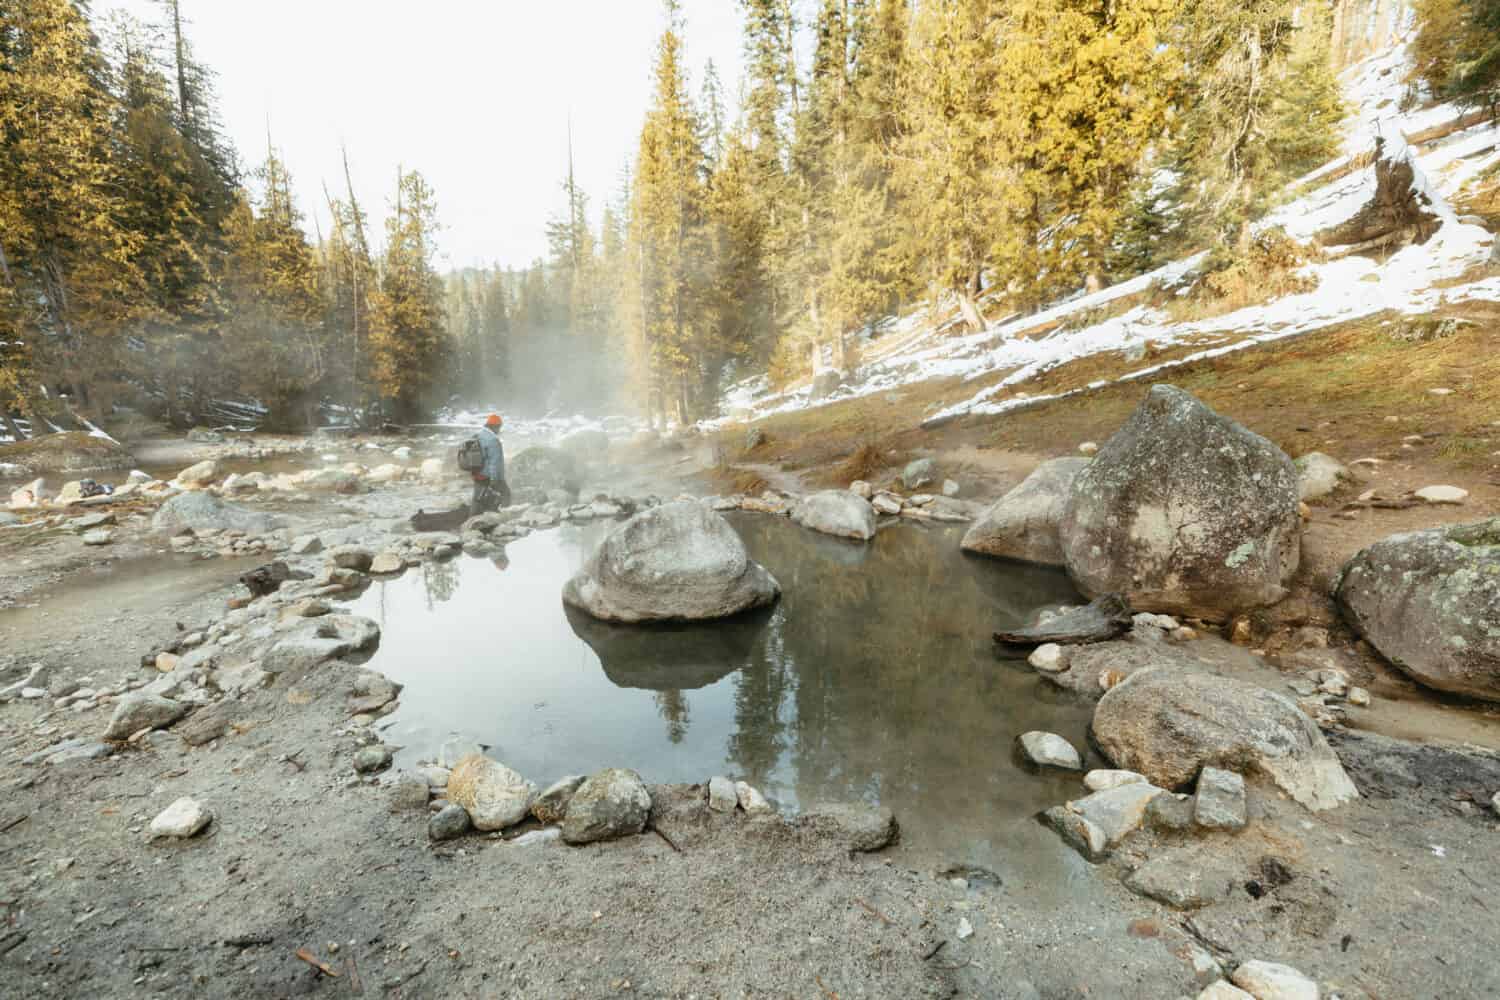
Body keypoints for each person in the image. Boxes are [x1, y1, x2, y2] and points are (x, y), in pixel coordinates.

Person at [470, 413, 510, 515]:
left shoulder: (478, 435)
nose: (499, 430)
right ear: (495, 426)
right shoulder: (493, 440)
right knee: (506, 494)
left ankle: (472, 519)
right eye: (499, 427)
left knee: (477, 498)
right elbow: (494, 462)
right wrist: (494, 479)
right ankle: (503, 517)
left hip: (477, 473)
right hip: (489, 475)